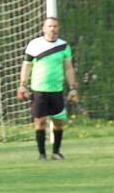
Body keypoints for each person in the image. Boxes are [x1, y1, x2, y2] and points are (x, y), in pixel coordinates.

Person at [17, 16, 77, 160]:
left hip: (56, 89)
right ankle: (42, 154)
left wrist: (73, 88)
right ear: (43, 28)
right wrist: (22, 85)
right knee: (40, 121)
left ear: (58, 28)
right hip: (39, 89)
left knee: (58, 121)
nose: (52, 29)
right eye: (49, 26)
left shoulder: (64, 46)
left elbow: (68, 68)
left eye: (55, 26)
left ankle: (56, 152)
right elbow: (26, 66)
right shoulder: (34, 45)